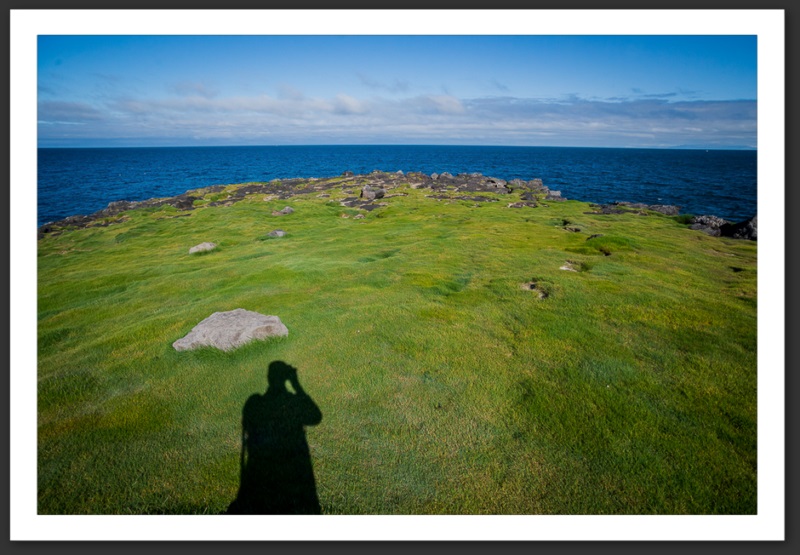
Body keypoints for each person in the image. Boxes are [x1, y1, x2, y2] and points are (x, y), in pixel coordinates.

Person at [228, 361, 322, 514]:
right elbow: (315, 416)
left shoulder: (256, 403)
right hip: (290, 469)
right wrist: (296, 384)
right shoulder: (291, 402)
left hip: (262, 468)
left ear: (269, 377)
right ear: (285, 378)